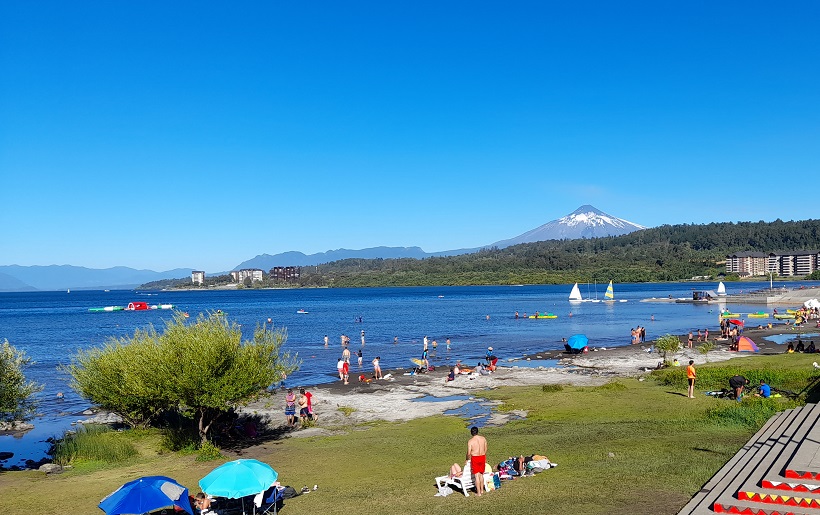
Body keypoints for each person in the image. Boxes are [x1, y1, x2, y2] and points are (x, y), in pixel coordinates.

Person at [466, 426, 488, 496]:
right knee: (481, 474)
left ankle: (478, 493)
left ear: (471, 433)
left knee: (476, 476)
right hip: (482, 456)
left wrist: (467, 459)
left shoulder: (470, 441)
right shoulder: (483, 439)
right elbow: (485, 448)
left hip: (475, 458)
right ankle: (482, 490)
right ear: (477, 431)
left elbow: (469, 453)